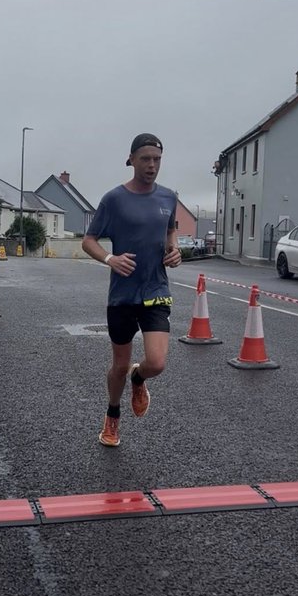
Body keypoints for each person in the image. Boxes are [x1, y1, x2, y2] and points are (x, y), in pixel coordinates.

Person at [82, 133, 181, 447]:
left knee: (157, 363)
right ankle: (112, 416)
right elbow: (89, 240)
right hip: (123, 295)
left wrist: (174, 250)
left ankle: (141, 378)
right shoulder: (114, 199)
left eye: (157, 159)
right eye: (145, 159)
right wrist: (111, 259)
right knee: (120, 366)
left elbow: (170, 230)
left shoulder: (168, 197)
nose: (152, 165)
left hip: (156, 290)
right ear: (132, 160)